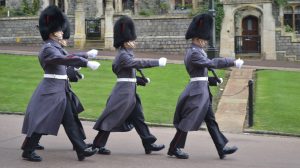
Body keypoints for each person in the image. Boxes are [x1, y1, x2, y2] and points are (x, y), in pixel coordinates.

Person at [21, 5, 99, 162]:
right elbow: (64, 59)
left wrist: (86, 54)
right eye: (59, 30)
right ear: (52, 32)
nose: (62, 32)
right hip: (51, 91)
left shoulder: (55, 46)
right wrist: (85, 62)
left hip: (61, 90)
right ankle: (28, 150)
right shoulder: (48, 49)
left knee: (70, 120)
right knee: (42, 120)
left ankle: (81, 149)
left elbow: (68, 55)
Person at [167, 13, 244, 160]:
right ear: (196, 38)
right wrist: (232, 62)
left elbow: (200, 73)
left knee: (211, 120)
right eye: (203, 40)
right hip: (196, 93)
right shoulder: (194, 53)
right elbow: (212, 63)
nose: (205, 42)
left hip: (202, 90)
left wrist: (211, 80)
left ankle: (221, 148)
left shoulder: (198, 51)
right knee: (188, 120)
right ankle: (175, 147)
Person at [92, 15, 166, 155]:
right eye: (132, 41)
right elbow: (138, 63)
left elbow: (127, 74)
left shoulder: (127, 53)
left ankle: (148, 143)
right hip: (123, 94)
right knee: (111, 118)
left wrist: (140, 80)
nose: (134, 43)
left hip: (130, 92)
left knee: (139, 118)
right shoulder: (123, 56)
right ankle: (97, 145)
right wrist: (157, 62)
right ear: (125, 42)